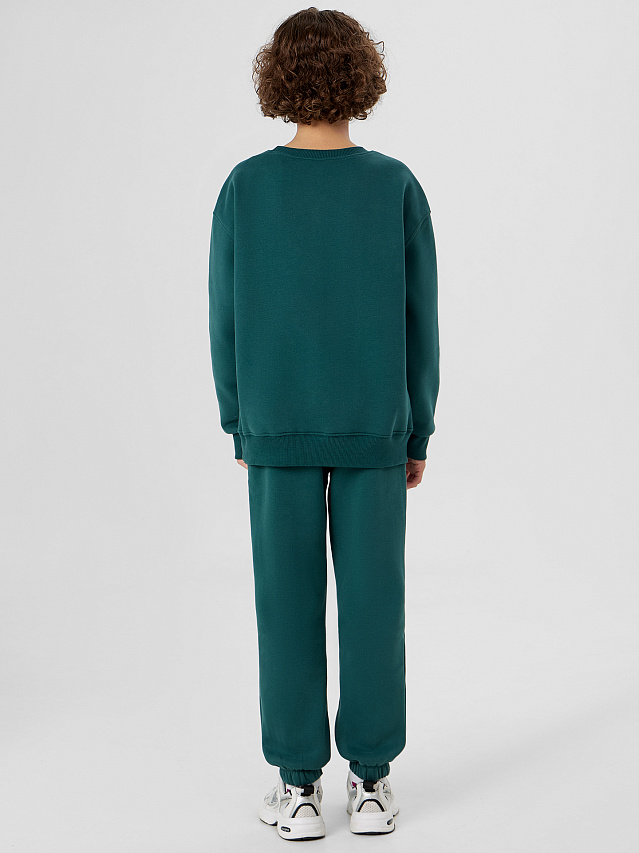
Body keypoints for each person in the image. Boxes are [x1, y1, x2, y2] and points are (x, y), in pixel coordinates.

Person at [208, 7, 439, 840]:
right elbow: (420, 318)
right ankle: (370, 781)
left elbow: (224, 314)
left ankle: (298, 787)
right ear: (361, 78)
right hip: (375, 426)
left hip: (277, 426)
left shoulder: (245, 186)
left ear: (277, 79)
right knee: (376, 605)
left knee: (285, 605)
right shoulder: (394, 184)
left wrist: (240, 419)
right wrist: (416, 429)